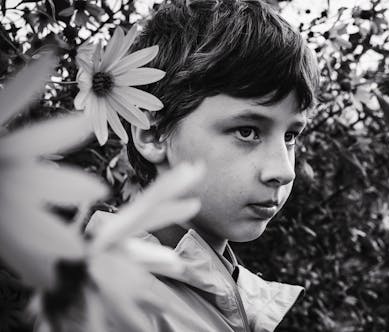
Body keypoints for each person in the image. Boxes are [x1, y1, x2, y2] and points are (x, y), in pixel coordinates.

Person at [88, 0, 319, 330]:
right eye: (247, 131)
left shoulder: (221, 294)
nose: (283, 171)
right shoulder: (113, 305)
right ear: (154, 135)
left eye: (291, 135)